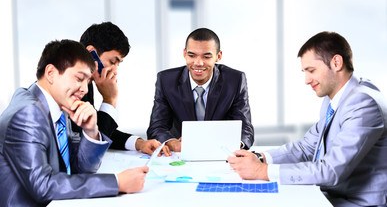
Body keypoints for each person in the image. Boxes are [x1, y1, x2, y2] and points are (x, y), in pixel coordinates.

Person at [228, 31, 387, 206]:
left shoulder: (362, 104)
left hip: (357, 203)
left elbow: (330, 171)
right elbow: (307, 147)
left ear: (336, 62)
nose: (306, 80)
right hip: (332, 196)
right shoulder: (336, 99)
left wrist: (262, 171)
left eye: (311, 70)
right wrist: (260, 157)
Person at [0, 40, 148, 206]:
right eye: (79, 78)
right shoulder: (28, 113)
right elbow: (43, 186)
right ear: (51, 73)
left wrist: (91, 131)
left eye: (87, 81)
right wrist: (117, 182)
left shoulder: (57, 106)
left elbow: (78, 169)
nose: (85, 89)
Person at [147, 28, 254, 152]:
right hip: (180, 154)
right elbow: (156, 127)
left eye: (206, 57)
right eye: (191, 55)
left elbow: (245, 129)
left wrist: (232, 145)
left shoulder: (235, 80)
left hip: (220, 152)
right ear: (184, 53)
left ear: (218, 56)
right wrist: (173, 144)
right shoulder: (166, 80)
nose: (198, 63)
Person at [73, 22, 169, 156]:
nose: (115, 71)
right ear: (91, 53)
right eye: (113, 62)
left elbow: (97, 129)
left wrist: (139, 143)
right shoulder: (70, 89)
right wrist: (109, 99)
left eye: (118, 64)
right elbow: (94, 145)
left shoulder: (85, 85)